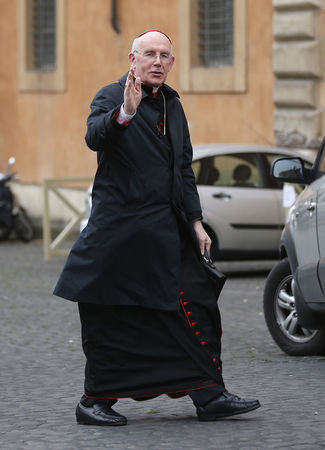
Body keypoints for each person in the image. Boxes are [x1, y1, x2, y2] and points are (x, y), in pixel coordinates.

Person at [54, 30, 260, 426]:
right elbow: (95, 137)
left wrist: (196, 222)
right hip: (120, 238)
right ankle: (93, 401)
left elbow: (182, 168)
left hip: (167, 232)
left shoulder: (172, 105)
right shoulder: (111, 96)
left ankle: (209, 393)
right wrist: (125, 113)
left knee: (196, 303)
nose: (158, 61)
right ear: (132, 60)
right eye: (150, 54)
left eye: (166, 55)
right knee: (111, 318)